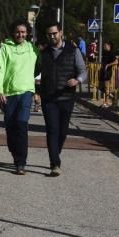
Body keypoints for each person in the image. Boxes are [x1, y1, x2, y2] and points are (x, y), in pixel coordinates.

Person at [36, 23, 87, 176]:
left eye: (54, 33)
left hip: (67, 97)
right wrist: (36, 92)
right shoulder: (43, 53)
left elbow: (83, 71)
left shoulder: (73, 51)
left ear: (61, 33)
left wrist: (77, 80)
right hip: (48, 97)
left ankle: (55, 153)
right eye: (49, 34)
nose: (52, 37)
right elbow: (36, 74)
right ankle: (54, 163)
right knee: (52, 130)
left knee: (63, 132)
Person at [0, 21, 38, 174]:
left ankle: (21, 163)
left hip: (26, 92)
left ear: (27, 33)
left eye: (23, 32)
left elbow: (39, 67)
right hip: (9, 94)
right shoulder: (5, 48)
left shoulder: (32, 48)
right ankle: (14, 152)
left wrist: (38, 90)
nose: (21, 35)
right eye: (18, 32)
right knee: (11, 127)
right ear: (13, 32)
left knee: (21, 124)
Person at [99, 40, 119, 106]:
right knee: (101, 87)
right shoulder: (104, 53)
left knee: (106, 87)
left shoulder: (111, 53)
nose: (103, 46)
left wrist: (108, 65)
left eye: (105, 45)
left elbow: (116, 62)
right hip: (103, 71)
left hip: (108, 72)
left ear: (109, 46)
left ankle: (107, 102)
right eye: (103, 45)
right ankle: (112, 97)